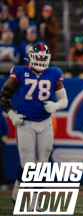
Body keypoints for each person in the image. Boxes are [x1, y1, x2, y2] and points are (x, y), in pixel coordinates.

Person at [2, 42, 68, 207]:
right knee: (27, 165)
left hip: (45, 122)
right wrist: (11, 114)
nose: (40, 60)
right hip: (25, 123)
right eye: (37, 57)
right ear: (30, 57)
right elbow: (4, 96)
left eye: (43, 57)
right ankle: (19, 183)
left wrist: (57, 106)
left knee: (43, 163)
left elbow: (64, 100)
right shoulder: (19, 72)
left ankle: (35, 200)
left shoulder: (54, 73)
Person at [0, 113, 9, 191]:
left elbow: (5, 129)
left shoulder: (1, 117)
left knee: (1, 164)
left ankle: (3, 183)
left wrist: (2, 142)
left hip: (0, 145)